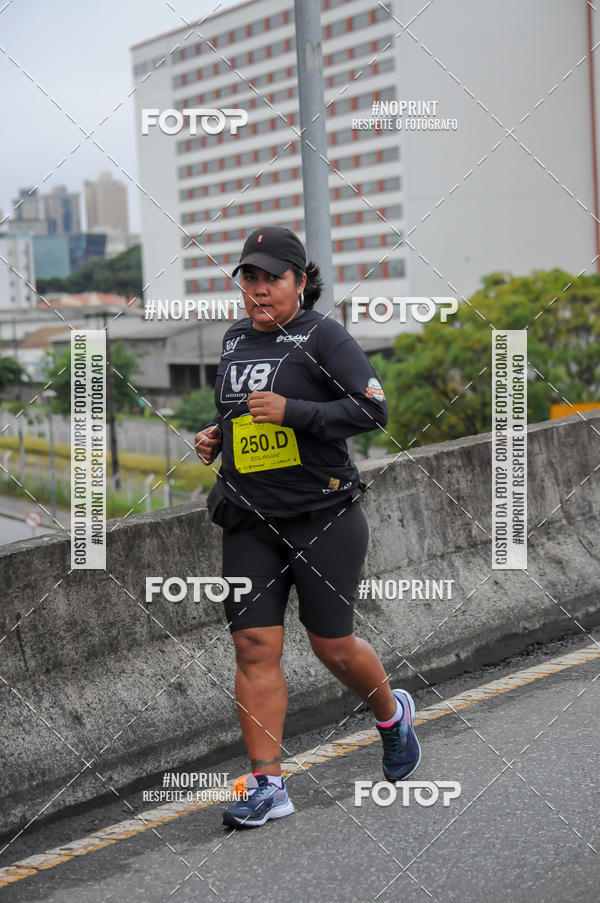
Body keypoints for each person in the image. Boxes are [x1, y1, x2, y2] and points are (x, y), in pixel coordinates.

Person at [194, 226, 420, 829]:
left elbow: (372, 409)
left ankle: (392, 715)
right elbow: (240, 412)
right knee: (253, 646)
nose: (259, 289)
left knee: (332, 647)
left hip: (322, 516)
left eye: (273, 278)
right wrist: (215, 436)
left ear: (300, 282)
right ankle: (268, 784)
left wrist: (294, 412)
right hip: (248, 517)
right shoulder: (236, 337)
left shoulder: (325, 336)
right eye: (250, 277)